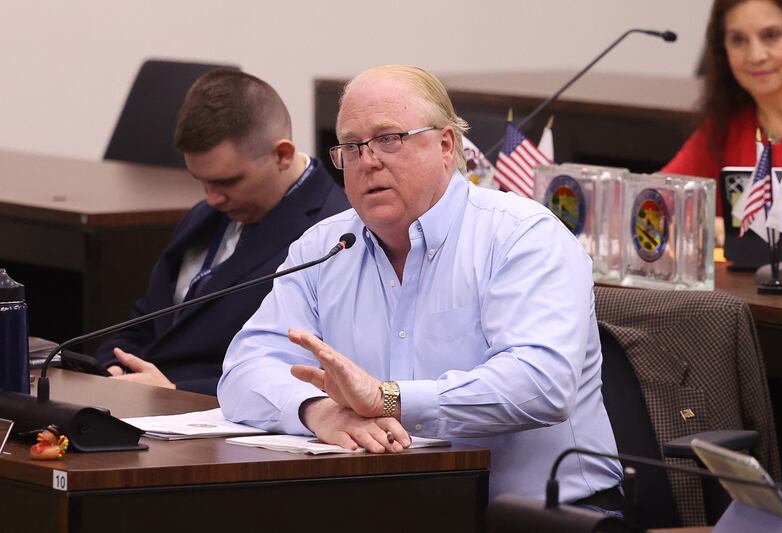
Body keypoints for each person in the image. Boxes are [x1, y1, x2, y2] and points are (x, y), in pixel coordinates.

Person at [218, 65, 623, 506]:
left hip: (543, 515)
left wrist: (389, 399)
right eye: (352, 147)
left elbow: (543, 384)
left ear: (446, 145)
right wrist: (318, 412)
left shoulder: (522, 236)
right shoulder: (327, 246)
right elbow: (245, 368)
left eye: (389, 139)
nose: (369, 161)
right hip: (391, 508)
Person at [94, 69, 350, 395]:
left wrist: (175, 391)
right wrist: (113, 365)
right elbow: (148, 322)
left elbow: (309, 370)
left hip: (219, 420)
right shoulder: (206, 217)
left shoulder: (333, 234)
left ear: (282, 155)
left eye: (227, 182)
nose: (211, 197)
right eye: (200, 180)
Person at [663, 0, 782, 219]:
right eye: (738, 40)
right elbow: (658, 200)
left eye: (771, 36)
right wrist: (705, 227)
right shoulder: (725, 127)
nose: (756, 56)